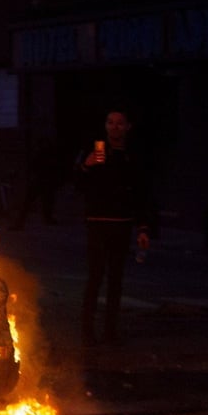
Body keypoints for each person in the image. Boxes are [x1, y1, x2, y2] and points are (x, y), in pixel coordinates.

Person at [74, 107, 151, 345]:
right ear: (105, 126)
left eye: (119, 123)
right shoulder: (95, 150)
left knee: (116, 280)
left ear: (128, 127)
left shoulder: (133, 155)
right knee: (95, 276)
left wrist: (143, 228)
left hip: (122, 223)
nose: (114, 127)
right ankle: (88, 331)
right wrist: (86, 166)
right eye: (110, 122)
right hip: (97, 222)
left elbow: (141, 192)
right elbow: (78, 184)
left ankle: (110, 331)